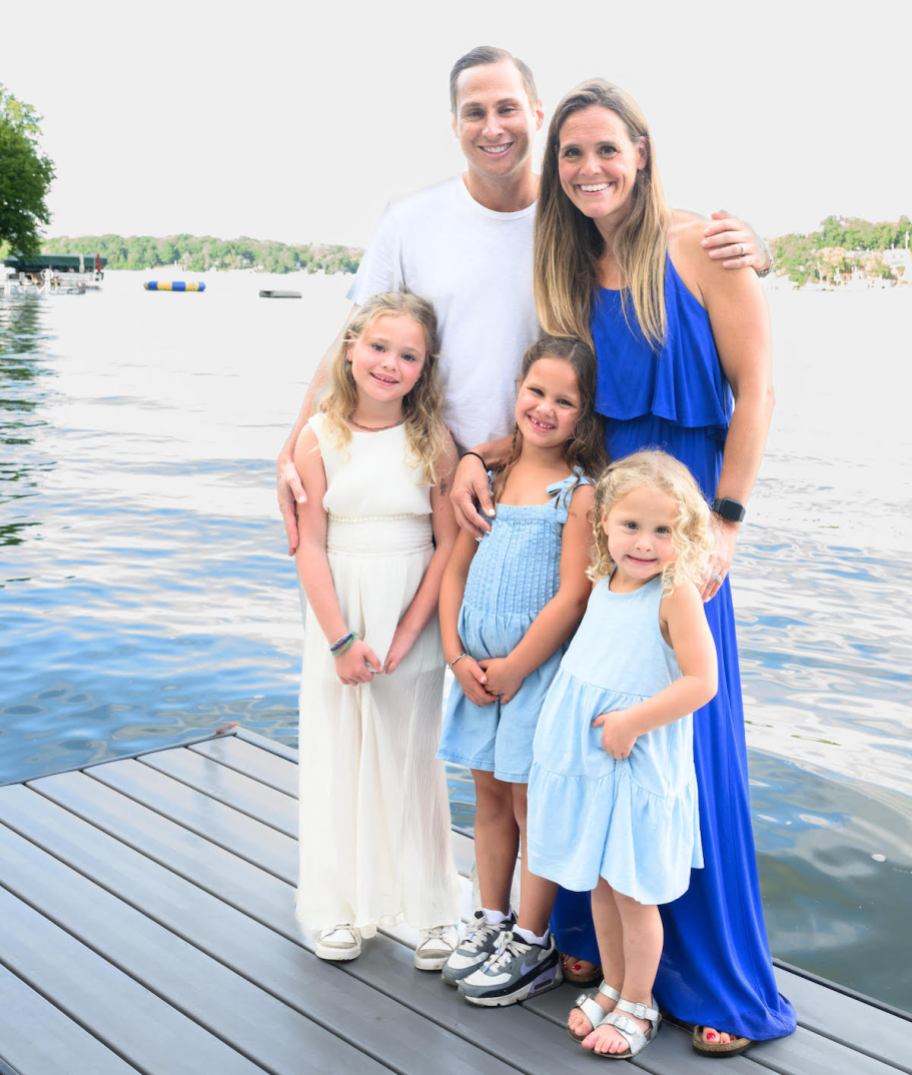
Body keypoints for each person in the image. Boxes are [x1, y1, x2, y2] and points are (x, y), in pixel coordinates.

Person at [470, 76, 793, 1055]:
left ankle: (715, 983)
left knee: (683, 748)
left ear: (643, 154)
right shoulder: (566, 269)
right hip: (606, 524)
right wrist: (478, 460)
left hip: (681, 520)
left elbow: (758, 388)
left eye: (607, 149)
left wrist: (726, 523)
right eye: (571, 154)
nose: (589, 168)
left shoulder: (701, 244)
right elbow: (559, 403)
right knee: (589, 721)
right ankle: (587, 938)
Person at [276, 46, 771, 555]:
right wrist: (297, 444)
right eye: (475, 112)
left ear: (536, 115)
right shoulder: (416, 220)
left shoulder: (579, 226)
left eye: (507, 108)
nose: (493, 128)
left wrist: (757, 247)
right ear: (454, 124)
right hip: (435, 479)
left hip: (559, 489)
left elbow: (657, 233)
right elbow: (354, 338)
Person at [527, 450, 718, 1059]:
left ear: (682, 535)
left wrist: (633, 720)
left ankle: (640, 1000)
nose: (645, 543)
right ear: (604, 520)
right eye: (632, 525)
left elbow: (701, 682)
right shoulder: (602, 582)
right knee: (601, 884)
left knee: (633, 889)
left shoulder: (673, 593)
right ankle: (613, 985)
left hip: (635, 759)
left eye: (663, 530)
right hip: (592, 764)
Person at [293, 291, 461, 970]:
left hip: (411, 610)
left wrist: (407, 633)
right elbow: (308, 544)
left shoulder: (434, 441)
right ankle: (335, 905)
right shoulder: (318, 435)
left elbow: (448, 545)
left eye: (408, 355)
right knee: (338, 752)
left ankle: (430, 905)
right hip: (339, 608)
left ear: (425, 368)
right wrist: (339, 639)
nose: (390, 364)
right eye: (379, 347)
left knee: (412, 757)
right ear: (351, 348)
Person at [436, 336, 604, 1005]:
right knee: (490, 800)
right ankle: (492, 918)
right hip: (475, 672)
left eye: (565, 400)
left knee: (533, 805)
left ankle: (533, 941)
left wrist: (514, 667)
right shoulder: (493, 476)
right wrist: (457, 655)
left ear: (583, 413)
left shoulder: (579, 494)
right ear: (517, 389)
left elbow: (572, 595)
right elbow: (454, 568)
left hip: (532, 675)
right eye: (536, 391)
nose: (545, 408)